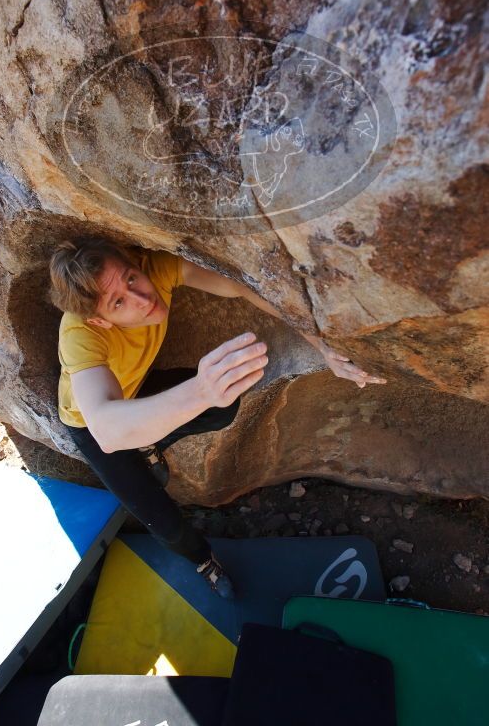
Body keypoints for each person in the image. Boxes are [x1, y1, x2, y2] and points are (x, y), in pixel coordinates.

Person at [49, 237, 386, 598]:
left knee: (223, 407)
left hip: (136, 391)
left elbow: (241, 283)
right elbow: (107, 430)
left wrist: (323, 345)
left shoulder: (153, 268)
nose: (143, 299)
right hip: (92, 424)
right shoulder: (79, 333)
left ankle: (149, 440)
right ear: (101, 320)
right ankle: (203, 561)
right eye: (119, 302)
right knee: (165, 523)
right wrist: (200, 391)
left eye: (131, 279)